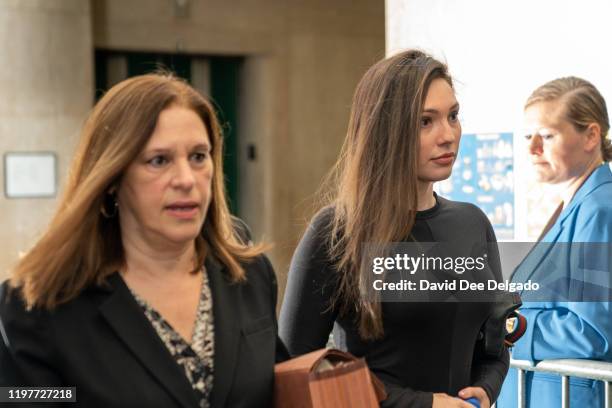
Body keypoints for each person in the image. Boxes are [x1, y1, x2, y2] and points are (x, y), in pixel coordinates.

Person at [0, 74, 286, 408]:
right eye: (158, 161)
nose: (186, 179)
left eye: (198, 156)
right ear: (112, 177)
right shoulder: (38, 305)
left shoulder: (249, 275)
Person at [279, 50, 510, 408]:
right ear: (385, 130)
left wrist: (487, 386)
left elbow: (494, 344)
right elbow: (294, 372)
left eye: (453, 116)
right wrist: (425, 405)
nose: (448, 135)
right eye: (425, 122)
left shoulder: (473, 224)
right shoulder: (336, 232)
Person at [497, 77, 612, 407]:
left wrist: (507, 326)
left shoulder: (599, 211)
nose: (533, 148)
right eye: (527, 136)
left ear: (591, 135)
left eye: (547, 136)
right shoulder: (574, 206)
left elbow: (592, 333)